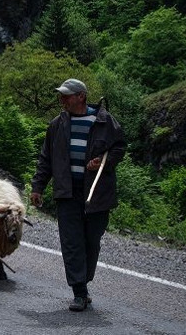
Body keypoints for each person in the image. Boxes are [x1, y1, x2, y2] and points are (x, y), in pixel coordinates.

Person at [30, 78, 125, 312]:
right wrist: (37, 187)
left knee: (91, 241)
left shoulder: (105, 121)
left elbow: (120, 147)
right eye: (61, 95)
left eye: (66, 95)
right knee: (72, 243)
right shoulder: (56, 125)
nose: (61, 100)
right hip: (67, 192)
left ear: (81, 96)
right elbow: (46, 159)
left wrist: (104, 160)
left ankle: (84, 280)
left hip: (97, 193)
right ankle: (79, 292)